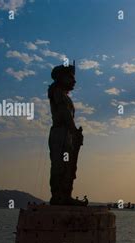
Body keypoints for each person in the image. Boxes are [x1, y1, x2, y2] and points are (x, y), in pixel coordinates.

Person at [47, 61, 87, 206]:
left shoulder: (64, 96)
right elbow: (64, 114)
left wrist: (74, 133)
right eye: (70, 77)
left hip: (67, 134)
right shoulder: (57, 92)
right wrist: (74, 130)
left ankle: (65, 194)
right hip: (61, 133)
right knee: (60, 165)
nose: (74, 81)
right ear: (61, 78)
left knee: (69, 165)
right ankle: (58, 196)